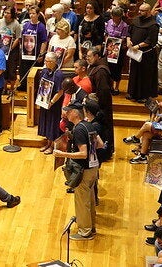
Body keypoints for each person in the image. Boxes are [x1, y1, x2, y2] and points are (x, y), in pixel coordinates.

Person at [53, 102, 103, 240]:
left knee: (82, 202)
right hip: (93, 167)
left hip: (84, 170)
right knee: (90, 200)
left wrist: (62, 154)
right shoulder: (89, 125)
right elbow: (100, 144)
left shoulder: (79, 129)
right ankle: (90, 227)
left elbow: (83, 154)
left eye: (69, 112)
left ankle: (85, 232)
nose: (67, 114)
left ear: (75, 113)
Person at [126, 3, 159, 103]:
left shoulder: (153, 24)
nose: (140, 12)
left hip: (146, 54)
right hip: (135, 53)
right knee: (134, 72)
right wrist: (128, 40)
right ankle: (132, 93)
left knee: (144, 75)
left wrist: (138, 46)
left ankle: (143, 96)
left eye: (142, 11)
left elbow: (150, 40)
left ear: (148, 11)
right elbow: (129, 32)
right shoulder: (136, 20)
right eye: (139, 10)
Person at [86, 47, 114, 159]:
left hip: (101, 106)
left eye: (89, 56)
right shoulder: (94, 67)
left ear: (97, 56)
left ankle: (104, 152)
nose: (87, 59)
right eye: (86, 57)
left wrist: (98, 107)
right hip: (96, 104)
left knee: (103, 128)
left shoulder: (101, 71)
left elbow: (103, 91)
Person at [37, 52, 64, 154]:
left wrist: (51, 102)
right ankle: (48, 143)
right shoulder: (44, 71)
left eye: (47, 61)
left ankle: (52, 146)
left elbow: (60, 91)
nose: (45, 63)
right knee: (46, 123)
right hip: (45, 101)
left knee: (53, 123)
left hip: (54, 104)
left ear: (53, 62)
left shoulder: (58, 74)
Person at [18, 6, 48, 91]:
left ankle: (33, 88)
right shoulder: (26, 25)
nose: (31, 15)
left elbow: (44, 41)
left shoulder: (41, 27)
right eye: (30, 13)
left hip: (36, 53)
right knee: (23, 69)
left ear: (38, 14)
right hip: (25, 53)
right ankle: (23, 85)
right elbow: (22, 37)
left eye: (33, 13)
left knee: (33, 71)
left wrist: (41, 54)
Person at [104, 6, 129, 94]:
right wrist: (107, 41)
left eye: (116, 16)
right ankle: (110, 86)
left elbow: (123, 38)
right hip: (109, 49)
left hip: (119, 50)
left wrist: (116, 43)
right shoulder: (109, 22)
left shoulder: (124, 26)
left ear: (120, 16)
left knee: (117, 69)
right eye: (113, 16)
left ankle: (116, 87)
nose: (114, 18)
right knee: (109, 68)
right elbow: (106, 34)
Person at [0, 7, 21, 91]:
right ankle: (4, 88)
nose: (6, 14)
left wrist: (10, 48)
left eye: (8, 13)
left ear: (12, 14)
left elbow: (18, 38)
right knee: (4, 69)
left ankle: (12, 89)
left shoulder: (16, 24)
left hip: (12, 50)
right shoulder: (0, 22)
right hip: (2, 49)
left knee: (11, 70)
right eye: (5, 12)